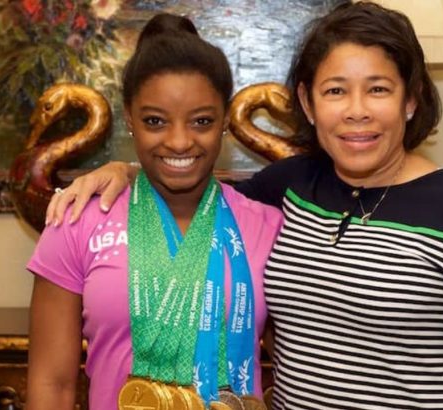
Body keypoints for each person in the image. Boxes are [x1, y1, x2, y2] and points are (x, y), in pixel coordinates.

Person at [47, 2, 443, 409]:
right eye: (336, 90)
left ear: (411, 100)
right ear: (309, 100)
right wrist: (124, 170)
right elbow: (191, 182)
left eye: (378, 89)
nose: (356, 109)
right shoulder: (291, 188)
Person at [26, 12, 282, 410]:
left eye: (201, 121)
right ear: (130, 118)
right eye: (155, 121)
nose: (179, 141)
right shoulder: (77, 221)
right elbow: (52, 385)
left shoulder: (269, 227)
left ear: (224, 122)